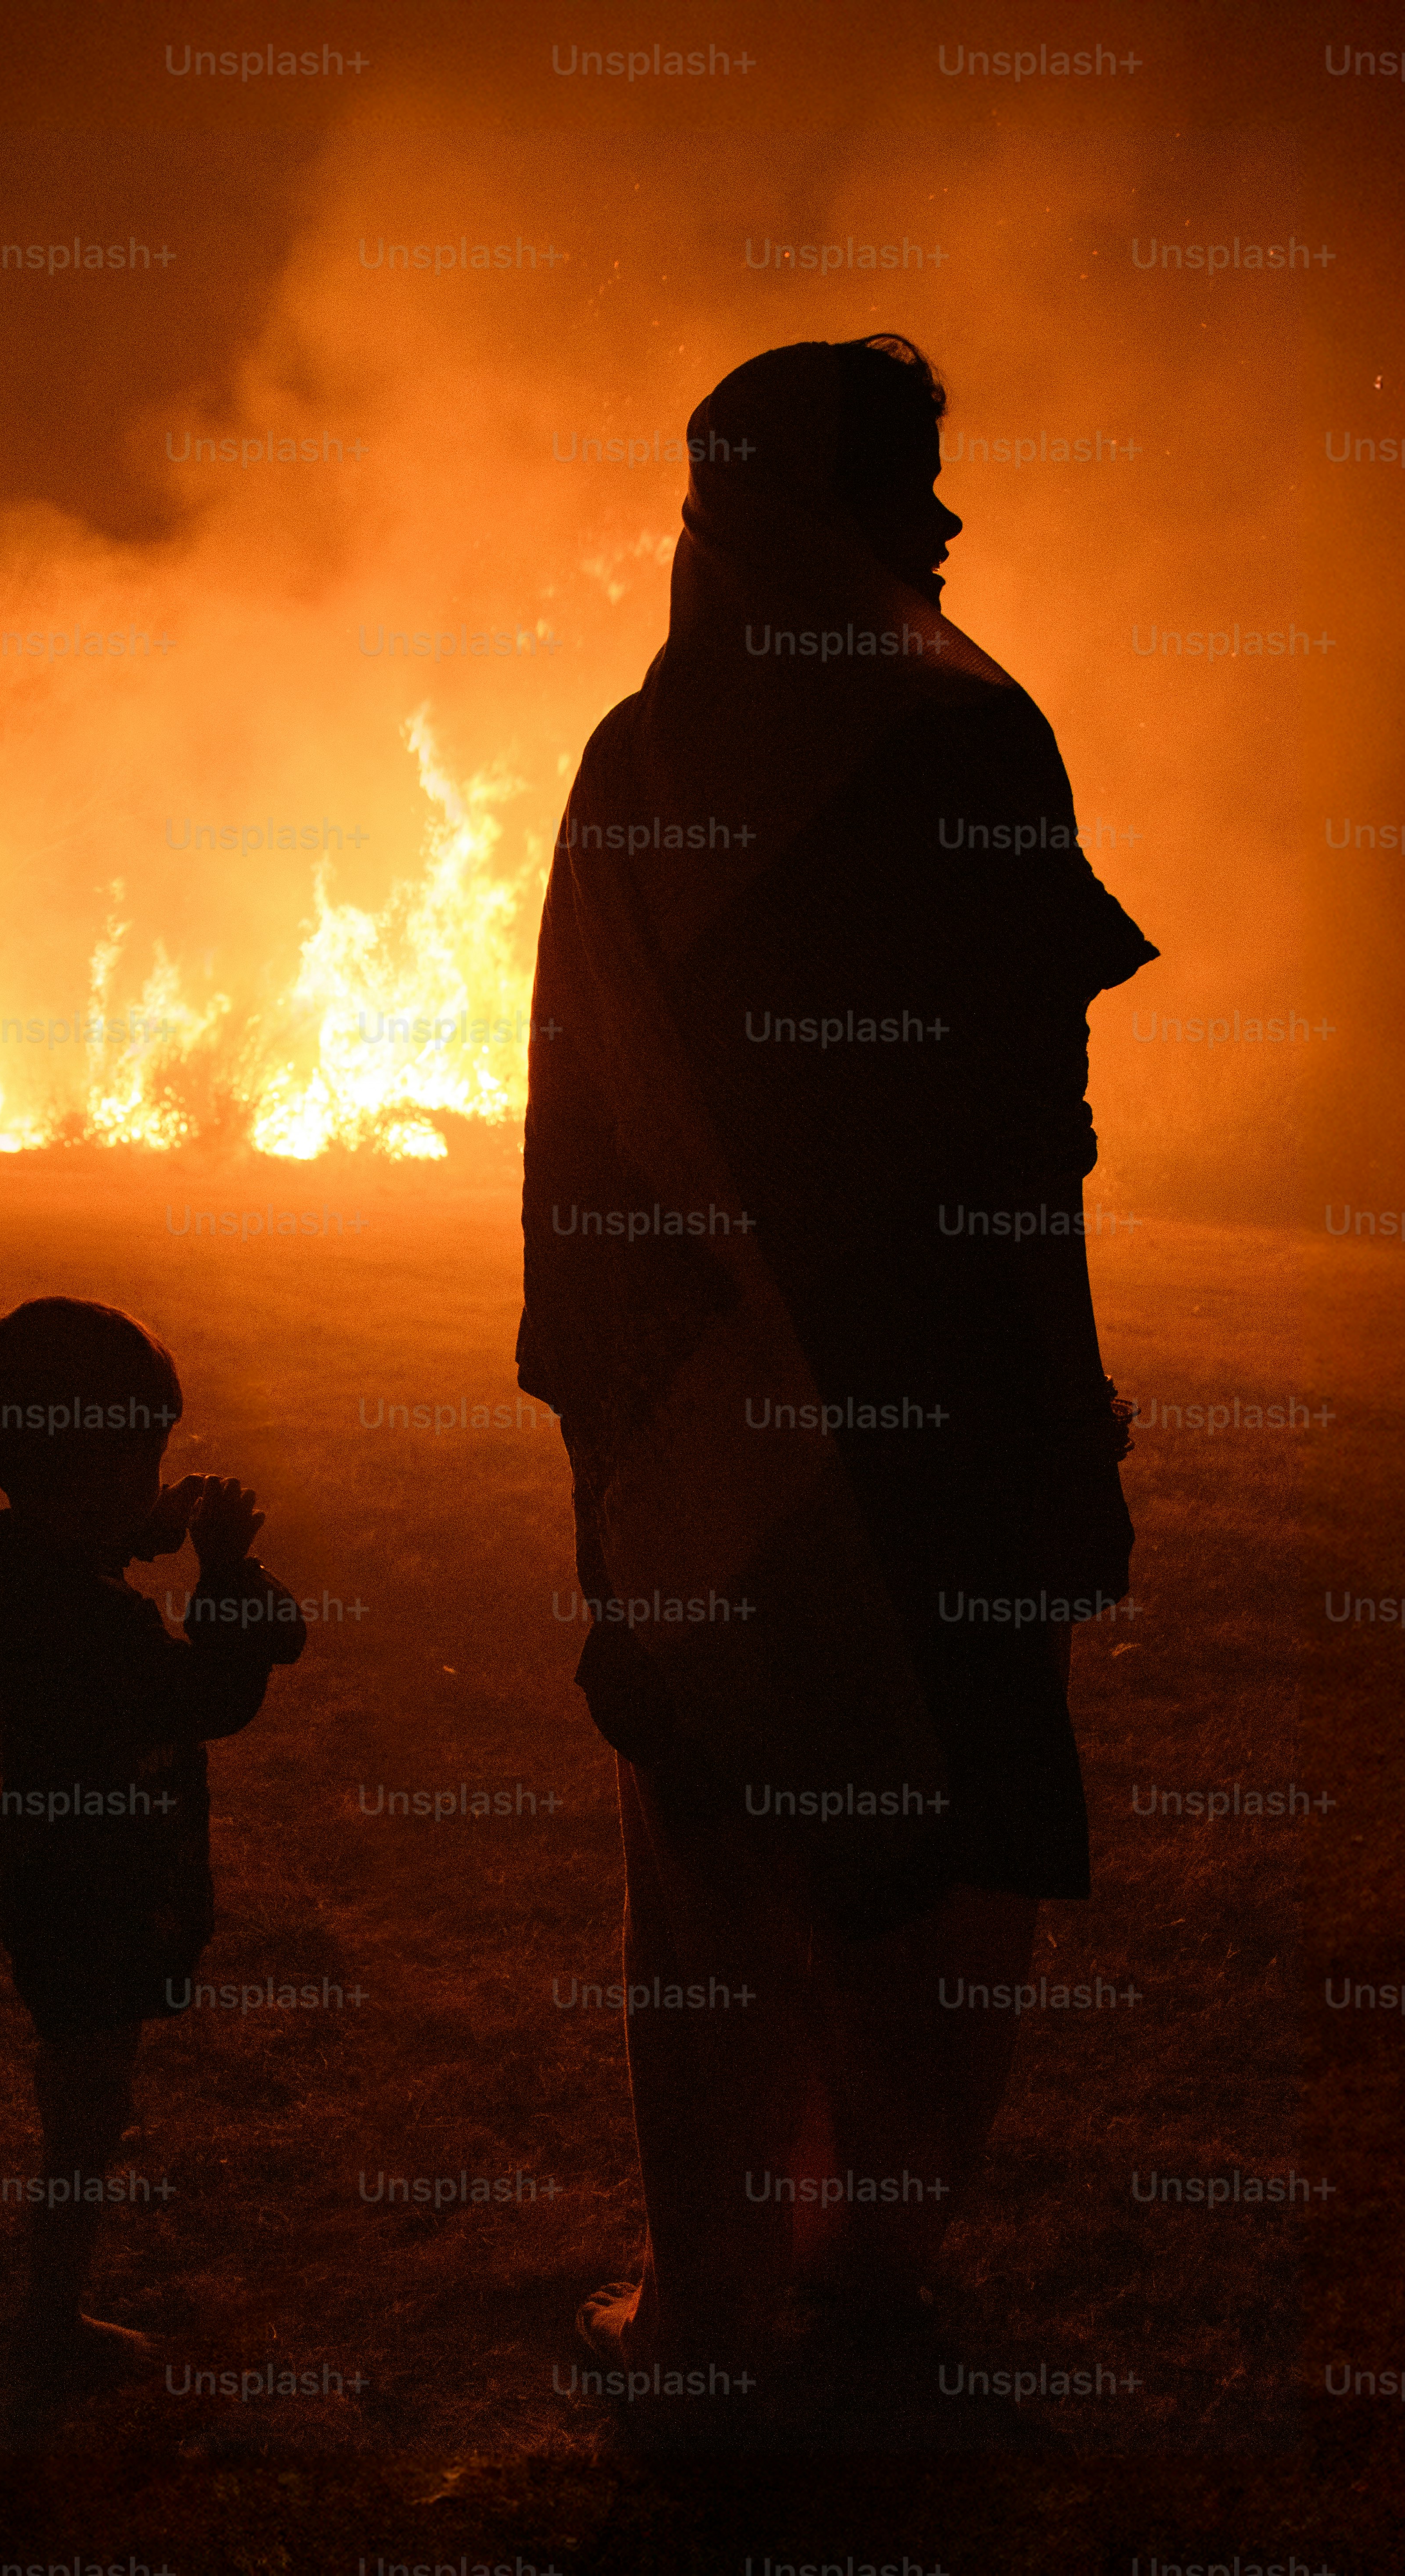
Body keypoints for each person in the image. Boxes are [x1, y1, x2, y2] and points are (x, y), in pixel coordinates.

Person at [518, 337, 1157, 2437]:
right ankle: (867, 2261)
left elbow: (586, 1147)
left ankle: (717, 2299)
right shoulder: (979, 742)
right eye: (909, 482)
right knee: (940, 1828)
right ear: (810, 506)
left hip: (718, 1414)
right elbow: (1030, 1136)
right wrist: (1051, 1399)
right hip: (949, 1403)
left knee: (719, 1838)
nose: (949, 523)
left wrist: (606, 1386)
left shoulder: (643, 764)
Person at [0, 1296, 303, 2399]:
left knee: (87, 2087)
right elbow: (208, 1695)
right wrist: (226, 1575)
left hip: (57, 1885)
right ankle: (50, 2323)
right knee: (85, 2106)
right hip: (95, 1897)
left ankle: (53, 2307)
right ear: (102, 1467)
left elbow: (77, 1569)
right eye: (143, 1460)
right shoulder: (92, 1623)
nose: (157, 1480)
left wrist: (140, 1532)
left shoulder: (11, 1568)